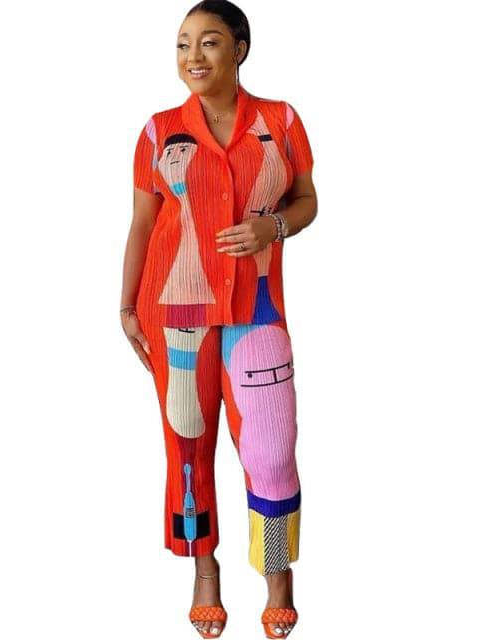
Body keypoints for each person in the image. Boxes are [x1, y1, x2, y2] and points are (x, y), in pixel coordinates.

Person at [120, 1, 317, 637]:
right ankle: (205, 571)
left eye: (208, 42)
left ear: (240, 49)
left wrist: (272, 226)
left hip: (257, 311)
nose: (193, 56)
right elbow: (144, 223)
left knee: (271, 448)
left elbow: (307, 200)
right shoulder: (158, 132)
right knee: (188, 445)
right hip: (174, 310)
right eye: (182, 44)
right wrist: (126, 304)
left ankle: (278, 573)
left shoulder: (280, 121)